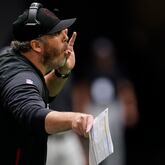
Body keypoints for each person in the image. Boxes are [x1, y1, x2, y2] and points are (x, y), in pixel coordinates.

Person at [0, 2, 93, 165]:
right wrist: (74, 119)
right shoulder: (20, 77)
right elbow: (33, 115)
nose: (65, 35)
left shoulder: (11, 57)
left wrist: (61, 72)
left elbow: (42, 93)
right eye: (57, 32)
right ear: (36, 45)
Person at [73, 36, 139, 165]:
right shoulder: (89, 71)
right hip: (94, 110)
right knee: (93, 148)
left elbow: (126, 90)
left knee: (114, 147)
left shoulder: (118, 72)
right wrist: (79, 112)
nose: (103, 59)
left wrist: (131, 108)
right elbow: (81, 91)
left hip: (113, 111)